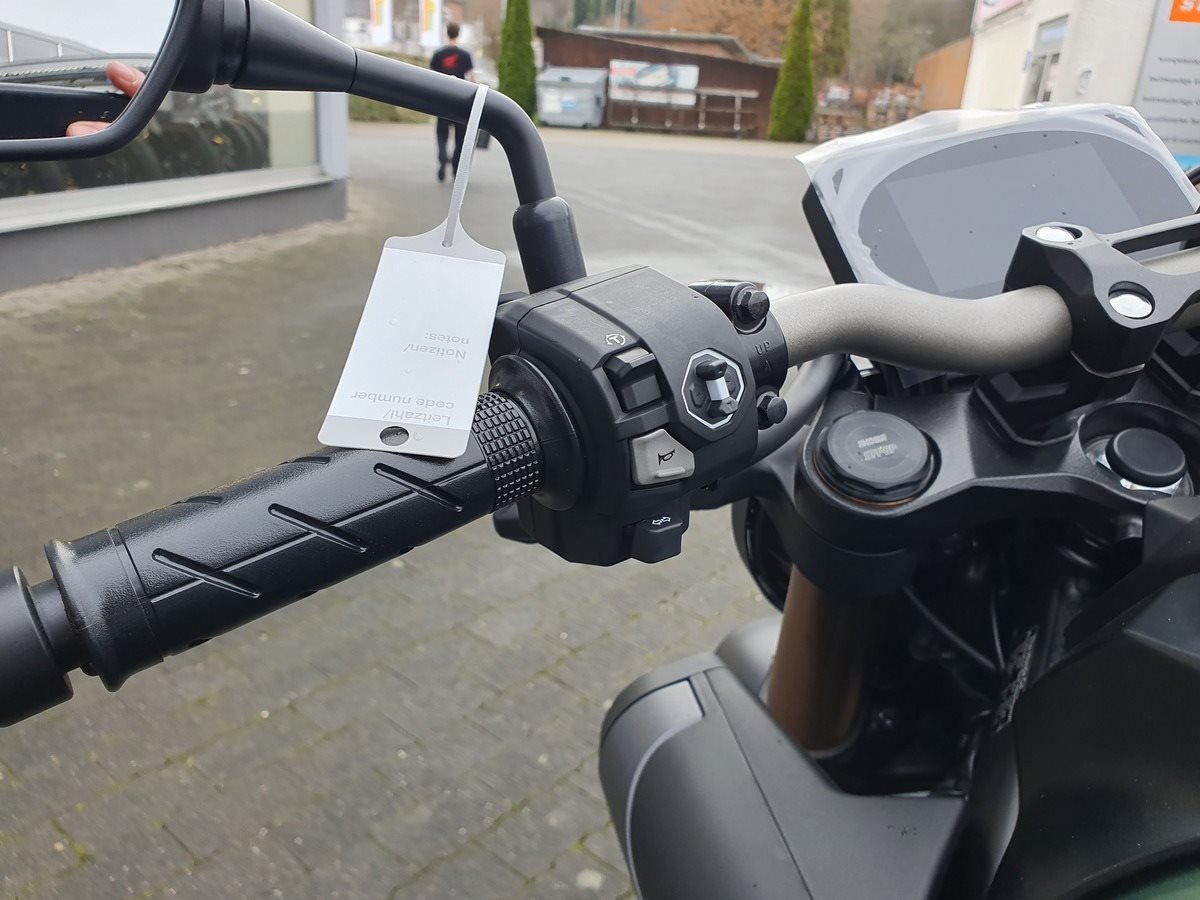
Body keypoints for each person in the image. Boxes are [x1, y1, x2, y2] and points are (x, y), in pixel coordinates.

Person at [429, 23, 476, 182]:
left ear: (447, 33)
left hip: (442, 100)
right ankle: (456, 168)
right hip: (460, 100)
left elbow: (431, 78)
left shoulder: (438, 55)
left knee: (442, 134)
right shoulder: (465, 55)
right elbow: (472, 78)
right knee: (460, 137)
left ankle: (443, 157)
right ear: (458, 33)